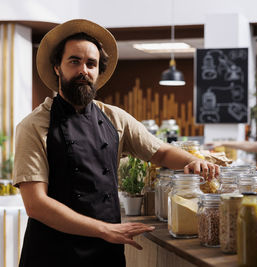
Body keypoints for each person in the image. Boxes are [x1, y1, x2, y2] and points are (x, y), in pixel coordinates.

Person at [12, 19, 219, 267]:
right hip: (53, 253)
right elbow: (36, 204)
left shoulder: (114, 118)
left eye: (91, 64)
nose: (83, 70)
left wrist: (193, 160)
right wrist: (103, 229)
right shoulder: (34, 126)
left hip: (105, 252)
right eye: (74, 61)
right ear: (57, 67)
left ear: (98, 71)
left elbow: (160, 152)